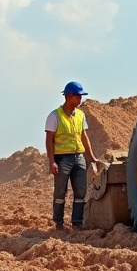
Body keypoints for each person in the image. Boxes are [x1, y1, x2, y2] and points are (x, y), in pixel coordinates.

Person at [44, 81, 107, 230]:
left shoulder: (80, 115)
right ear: (69, 96)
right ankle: (58, 223)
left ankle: (77, 223)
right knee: (60, 191)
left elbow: (84, 137)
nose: (81, 99)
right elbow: (49, 140)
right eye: (78, 96)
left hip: (79, 158)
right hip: (62, 159)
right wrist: (51, 162)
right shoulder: (54, 116)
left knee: (81, 191)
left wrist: (92, 158)